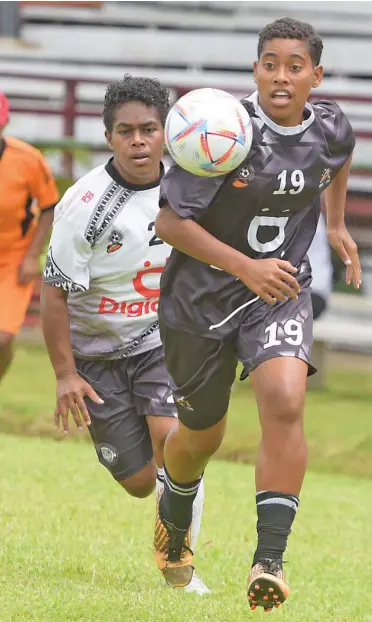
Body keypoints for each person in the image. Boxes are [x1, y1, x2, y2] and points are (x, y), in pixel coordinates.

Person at [152, 18, 361, 611]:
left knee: (286, 400)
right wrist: (245, 266)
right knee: (201, 434)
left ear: (314, 76)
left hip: (279, 292)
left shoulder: (329, 125)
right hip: (198, 303)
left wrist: (337, 222)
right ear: (255, 69)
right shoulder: (222, 132)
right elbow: (169, 223)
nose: (281, 75)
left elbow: (339, 155)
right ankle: (174, 508)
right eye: (270, 63)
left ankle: (269, 559)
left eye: (295, 66)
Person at [40, 75, 209, 595]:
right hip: (96, 356)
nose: (138, 141)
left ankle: (180, 565)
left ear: (165, 133)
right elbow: (54, 295)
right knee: (140, 482)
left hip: (161, 341)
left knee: (174, 442)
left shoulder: (189, 184)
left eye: (149, 129)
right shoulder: (84, 204)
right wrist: (66, 373)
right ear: (109, 136)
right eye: (126, 131)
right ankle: (164, 503)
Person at [0, 90, 59, 383]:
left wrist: (31, 255)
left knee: (2, 337)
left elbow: (48, 206)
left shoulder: (27, 160)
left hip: (12, 256)